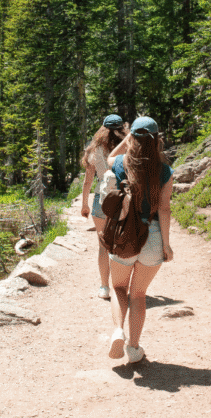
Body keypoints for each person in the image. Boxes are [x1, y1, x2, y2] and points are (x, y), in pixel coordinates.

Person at [104, 116, 173, 364]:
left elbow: (109, 156)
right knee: (139, 294)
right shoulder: (165, 170)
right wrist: (166, 244)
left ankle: (117, 331)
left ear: (132, 137)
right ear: (156, 141)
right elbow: (164, 209)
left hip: (126, 235)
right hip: (152, 236)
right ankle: (133, 348)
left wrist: (127, 139)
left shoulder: (121, 163)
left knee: (118, 287)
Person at [80, 114, 127, 299]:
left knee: (103, 246)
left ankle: (104, 287)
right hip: (123, 197)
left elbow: (87, 181)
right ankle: (121, 286)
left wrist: (84, 205)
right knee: (122, 241)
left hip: (101, 197)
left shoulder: (94, 149)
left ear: (102, 129)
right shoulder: (128, 147)